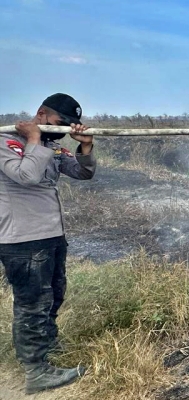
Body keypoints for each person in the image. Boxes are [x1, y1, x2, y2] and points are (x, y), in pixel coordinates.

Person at [0, 93, 95, 394]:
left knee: (53, 295)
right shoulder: (7, 142)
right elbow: (26, 176)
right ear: (41, 113)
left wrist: (85, 145)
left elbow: (82, 172)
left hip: (51, 235)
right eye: (59, 123)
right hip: (23, 240)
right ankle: (35, 370)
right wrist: (33, 140)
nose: (62, 129)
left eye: (69, 125)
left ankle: (47, 346)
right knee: (32, 304)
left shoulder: (51, 147)